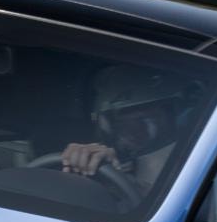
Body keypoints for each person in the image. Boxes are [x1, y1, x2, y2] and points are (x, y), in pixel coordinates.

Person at [59, 64, 195, 197]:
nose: (134, 130)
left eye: (146, 118)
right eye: (121, 120)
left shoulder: (191, 159)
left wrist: (127, 184)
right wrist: (80, 166)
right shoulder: (104, 159)